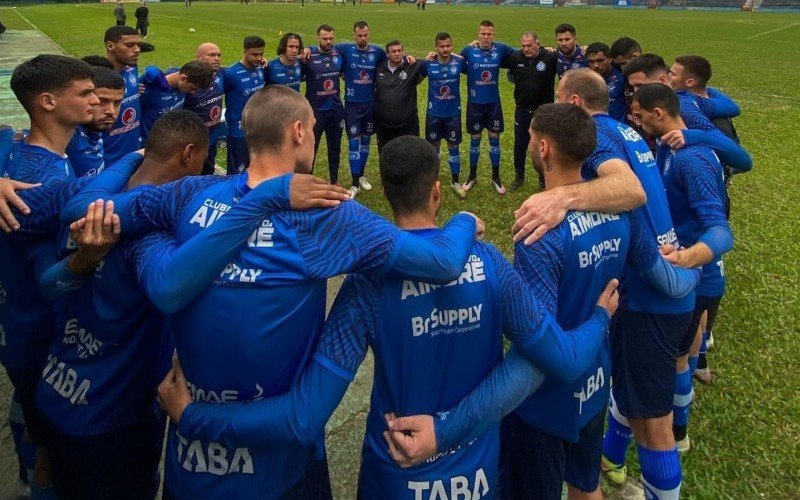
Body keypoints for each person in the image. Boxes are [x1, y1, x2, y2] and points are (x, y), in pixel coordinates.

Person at [60, 85, 480, 499]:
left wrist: (130, 163)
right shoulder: (326, 213)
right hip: (281, 468)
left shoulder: (191, 193)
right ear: (298, 132)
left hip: (190, 467)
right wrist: (463, 218)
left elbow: (80, 211)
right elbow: (441, 263)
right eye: (313, 129)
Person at [156, 133, 620, 499]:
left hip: (392, 477)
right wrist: (600, 317)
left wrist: (195, 417)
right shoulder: (492, 264)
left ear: (389, 196)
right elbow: (557, 358)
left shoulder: (367, 285)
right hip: (477, 477)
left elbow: (304, 417)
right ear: (438, 192)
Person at [504, 101, 700, 500]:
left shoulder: (536, 234)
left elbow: (543, 347)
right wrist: (696, 266)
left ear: (542, 149)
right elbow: (663, 276)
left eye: (530, 137)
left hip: (544, 404)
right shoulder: (623, 213)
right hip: (596, 384)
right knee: (585, 482)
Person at [2, 54, 101, 498]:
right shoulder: (37, 180)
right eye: (84, 93)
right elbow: (51, 276)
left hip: (25, 328)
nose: (96, 100)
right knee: (49, 449)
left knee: (30, 414)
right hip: (36, 333)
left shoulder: (24, 151)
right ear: (46, 101)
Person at [632, 83, 733, 454]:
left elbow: (721, 230)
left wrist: (685, 259)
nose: (634, 121)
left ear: (658, 114)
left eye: (639, 115)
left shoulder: (692, 158)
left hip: (692, 277)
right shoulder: (665, 148)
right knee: (686, 353)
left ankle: (675, 433)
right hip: (685, 277)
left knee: (675, 361)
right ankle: (679, 428)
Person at [621, 54, 752, 174]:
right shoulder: (663, 104)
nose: (635, 93)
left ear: (661, 81)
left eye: (639, 86)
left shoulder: (685, 107)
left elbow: (744, 162)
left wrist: (695, 136)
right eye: (633, 87)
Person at [460, 20, 514, 195]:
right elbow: (453, 62)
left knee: (494, 141)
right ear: (478, 34)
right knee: (474, 140)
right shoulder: (469, 50)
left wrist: (545, 49)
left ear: (494, 34)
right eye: (483, 33)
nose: (486, 37)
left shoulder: (501, 49)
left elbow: (523, 55)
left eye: (489, 34)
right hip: (474, 104)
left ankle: (496, 178)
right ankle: (472, 176)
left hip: (493, 104)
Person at [501, 31, 557, 191]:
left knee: (544, 146)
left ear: (538, 44)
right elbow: (494, 56)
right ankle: (519, 176)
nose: (526, 49)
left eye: (529, 45)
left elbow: (570, 58)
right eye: (523, 46)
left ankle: (543, 179)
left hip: (543, 111)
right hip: (523, 110)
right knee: (520, 145)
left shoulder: (550, 57)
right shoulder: (515, 58)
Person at [337, 21, 387, 199]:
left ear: (369, 33)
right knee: (353, 143)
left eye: (366, 35)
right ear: (354, 35)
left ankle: (361, 175)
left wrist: (410, 58)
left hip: (370, 104)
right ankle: (353, 182)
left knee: (366, 141)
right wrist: (307, 50)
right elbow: (323, 47)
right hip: (352, 104)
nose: (363, 38)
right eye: (360, 35)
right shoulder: (345, 49)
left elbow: (394, 59)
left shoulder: (377, 52)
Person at [420, 32, 466, 199]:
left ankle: (455, 182)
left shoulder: (459, 63)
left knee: (454, 147)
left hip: (453, 113)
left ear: (452, 46)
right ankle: (433, 182)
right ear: (436, 48)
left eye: (448, 46)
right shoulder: (428, 64)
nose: (445, 49)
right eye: (441, 46)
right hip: (434, 114)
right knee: (434, 149)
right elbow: (415, 78)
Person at [303, 25, 345, 185]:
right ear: (317, 39)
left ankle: (334, 180)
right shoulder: (308, 56)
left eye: (331, 38)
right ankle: (307, 181)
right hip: (315, 112)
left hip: (335, 110)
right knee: (310, 148)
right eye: (325, 38)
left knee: (335, 148)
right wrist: (308, 48)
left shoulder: (339, 53)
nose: (328, 42)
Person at [66, 66, 125, 178]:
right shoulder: (70, 137)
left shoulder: (96, 132)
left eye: (117, 103)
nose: (111, 111)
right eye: (102, 102)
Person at [221, 35, 265, 174]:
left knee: (256, 169)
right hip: (238, 131)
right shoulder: (231, 74)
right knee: (236, 172)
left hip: (258, 128)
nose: (258, 58)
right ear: (244, 52)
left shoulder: (261, 68)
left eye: (261, 54)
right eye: (254, 54)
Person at [139, 61, 214, 142]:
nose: (193, 93)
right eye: (193, 88)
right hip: (146, 145)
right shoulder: (152, 90)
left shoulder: (182, 83)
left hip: (167, 143)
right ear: (183, 78)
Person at [184, 42, 226, 175]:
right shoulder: (187, 80)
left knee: (208, 172)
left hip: (211, 138)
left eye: (218, 55)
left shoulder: (221, 75)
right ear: (198, 58)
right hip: (191, 141)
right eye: (211, 55)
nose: (216, 58)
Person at [103, 25, 143, 165]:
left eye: (138, 45)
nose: (137, 50)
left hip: (134, 154)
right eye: (130, 45)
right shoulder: (96, 80)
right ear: (110, 46)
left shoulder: (132, 69)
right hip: (108, 161)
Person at [374, 40, 423, 153]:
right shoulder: (379, 68)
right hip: (384, 126)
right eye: (393, 51)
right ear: (387, 54)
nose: (397, 54)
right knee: (386, 156)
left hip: (407, 125)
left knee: (410, 155)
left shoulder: (412, 65)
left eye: (399, 51)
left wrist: (431, 55)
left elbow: (435, 61)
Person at [586, 42, 626, 123]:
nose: (595, 65)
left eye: (600, 60)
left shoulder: (622, 80)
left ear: (610, 59)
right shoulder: (585, 80)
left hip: (616, 128)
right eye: (591, 61)